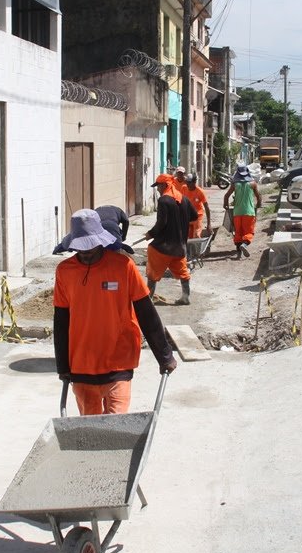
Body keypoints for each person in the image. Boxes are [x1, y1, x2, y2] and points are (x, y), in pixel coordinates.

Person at [53, 209, 177, 415]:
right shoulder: (65, 271)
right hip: (82, 364)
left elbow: (146, 312)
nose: (85, 252)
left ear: (101, 241)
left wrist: (164, 355)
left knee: (117, 426)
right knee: (90, 430)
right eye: (80, 247)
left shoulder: (123, 267)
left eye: (90, 246)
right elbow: (61, 320)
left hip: (119, 361)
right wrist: (62, 366)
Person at [145, 173, 195, 304]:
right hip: (180, 247)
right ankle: (185, 297)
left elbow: (161, 223)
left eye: (158, 186)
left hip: (163, 247)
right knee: (183, 273)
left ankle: (148, 299)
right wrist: (180, 220)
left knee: (152, 273)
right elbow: (194, 216)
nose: (157, 189)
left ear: (164, 185)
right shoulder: (184, 199)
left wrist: (150, 233)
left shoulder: (163, 200)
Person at [223, 163, 262, 259]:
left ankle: (238, 252)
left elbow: (226, 196)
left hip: (237, 212)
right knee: (248, 231)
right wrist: (258, 205)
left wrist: (226, 205)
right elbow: (259, 196)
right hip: (249, 212)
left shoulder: (235, 184)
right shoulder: (253, 183)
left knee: (238, 232)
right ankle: (244, 245)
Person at [176, 170, 211, 239]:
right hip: (187, 216)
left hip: (197, 216)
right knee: (187, 237)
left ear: (194, 182)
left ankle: (196, 249)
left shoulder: (200, 192)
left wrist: (209, 223)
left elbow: (206, 207)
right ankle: (189, 249)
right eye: (187, 182)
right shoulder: (184, 188)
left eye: (189, 183)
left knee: (196, 235)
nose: (187, 184)